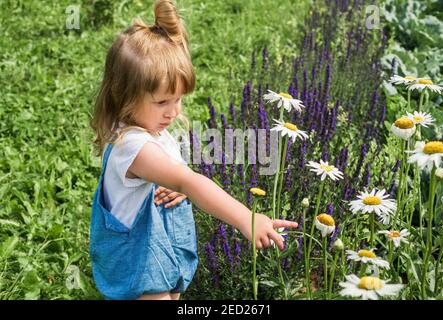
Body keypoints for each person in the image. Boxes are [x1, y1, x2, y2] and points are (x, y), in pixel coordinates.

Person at [89, 0, 298, 300]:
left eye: (178, 100)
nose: (173, 112)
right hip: (137, 265)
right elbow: (188, 179)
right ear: (125, 97)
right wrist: (245, 219)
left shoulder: (157, 134)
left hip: (161, 255)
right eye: (162, 102)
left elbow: (176, 179)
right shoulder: (132, 146)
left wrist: (178, 188)